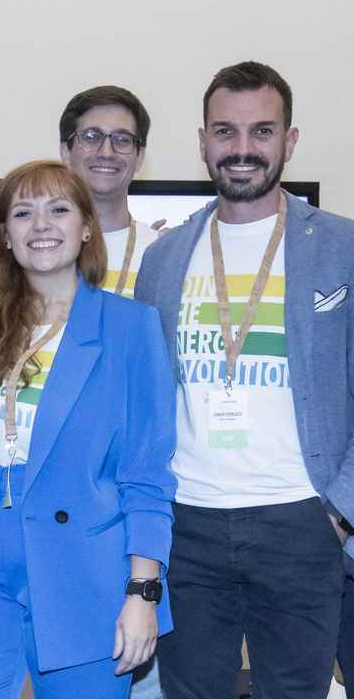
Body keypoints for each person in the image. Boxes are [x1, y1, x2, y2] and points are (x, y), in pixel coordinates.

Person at [136, 61, 352, 699]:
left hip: (301, 522)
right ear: (202, 141)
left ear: (289, 141)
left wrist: (339, 511)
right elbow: (149, 396)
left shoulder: (341, 248)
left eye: (262, 131)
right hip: (189, 526)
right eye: (225, 131)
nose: (242, 148)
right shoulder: (164, 258)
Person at [0, 160, 175, 699]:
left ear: (86, 227)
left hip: (83, 569)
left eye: (58, 209)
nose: (41, 224)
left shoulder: (130, 326)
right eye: (23, 213)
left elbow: (147, 473)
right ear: (4, 234)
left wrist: (142, 592)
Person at [60, 85, 160, 300]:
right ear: (66, 151)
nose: (106, 152)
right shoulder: (39, 248)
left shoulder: (163, 252)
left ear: (140, 157)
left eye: (122, 140)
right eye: (91, 137)